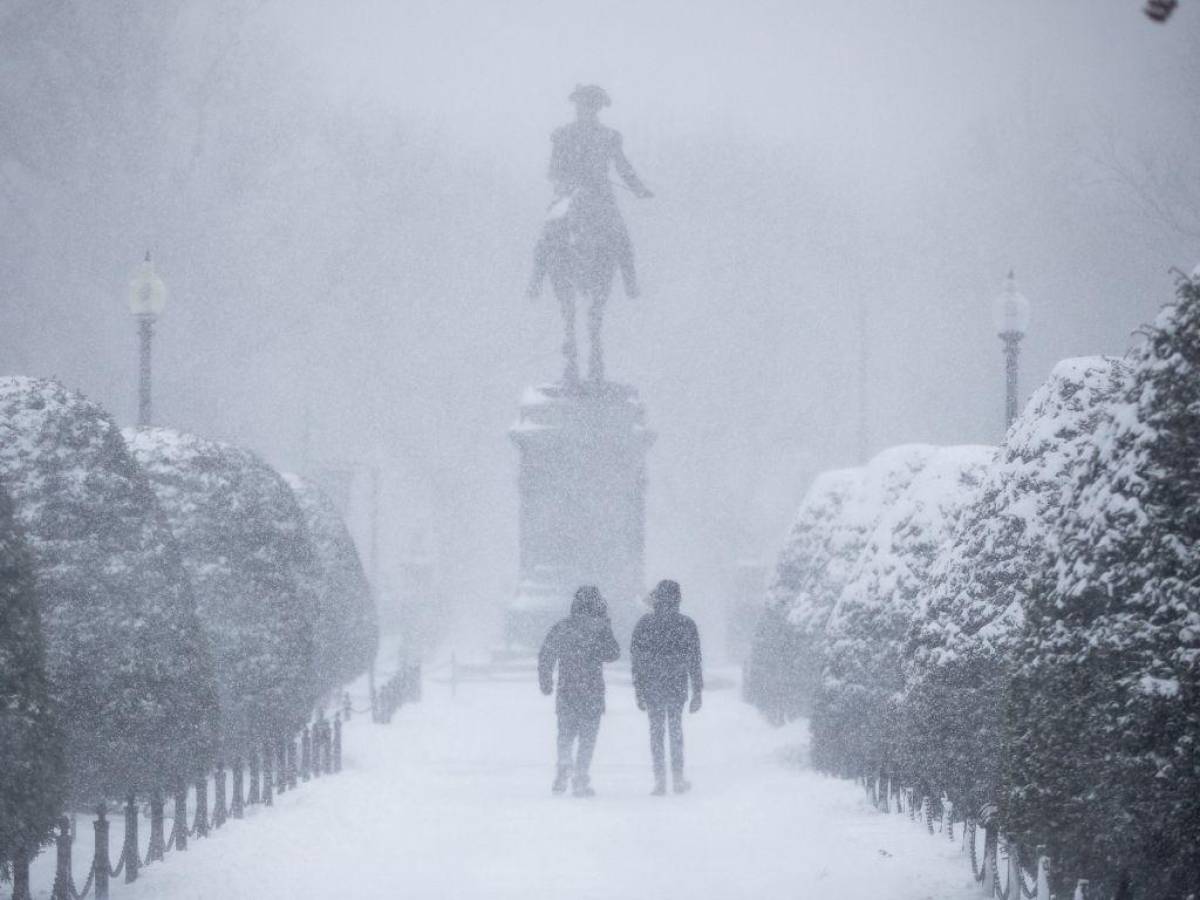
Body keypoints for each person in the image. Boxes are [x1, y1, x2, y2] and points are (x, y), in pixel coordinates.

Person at [528, 84, 653, 300]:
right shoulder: (562, 135)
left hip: (601, 196)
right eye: (581, 106)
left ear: (596, 109)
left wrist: (638, 189)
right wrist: (566, 181)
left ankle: (630, 283)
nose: (584, 110)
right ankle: (536, 280)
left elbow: (623, 167)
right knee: (548, 232)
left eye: (588, 106)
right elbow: (553, 171)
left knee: (620, 234)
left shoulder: (610, 136)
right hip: (569, 194)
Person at [538, 585, 621, 797]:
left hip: (567, 689)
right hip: (592, 690)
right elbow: (613, 654)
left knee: (565, 734)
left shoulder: (563, 627)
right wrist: (605, 628)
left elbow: (546, 654)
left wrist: (546, 679)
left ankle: (564, 764)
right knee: (587, 738)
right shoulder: (599, 629)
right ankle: (580, 778)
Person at [631, 579, 703, 795]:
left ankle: (660, 780)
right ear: (677, 599)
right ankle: (678, 779)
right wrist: (697, 691)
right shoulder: (687, 625)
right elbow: (694, 660)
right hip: (676, 685)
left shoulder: (644, 624)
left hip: (653, 685)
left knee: (656, 732)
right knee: (675, 731)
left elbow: (637, 661)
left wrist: (639, 688)